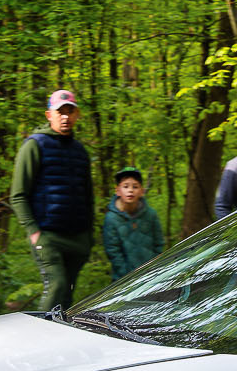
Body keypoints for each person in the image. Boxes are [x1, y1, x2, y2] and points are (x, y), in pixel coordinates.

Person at [10, 89, 96, 314]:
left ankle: (61, 334)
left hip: (78, 238)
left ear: (77, 115)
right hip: (48, 236)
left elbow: (88, 196)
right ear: (49, 115)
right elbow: (18, 195)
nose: (65, 117)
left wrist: (89, 236)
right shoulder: (34, 145)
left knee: (67, 294)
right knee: (56, 286)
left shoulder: (80, 151)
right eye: (60, 112)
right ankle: (38, 333)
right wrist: (34, 232)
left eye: (70, 111)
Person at [101, 166, 165, 282]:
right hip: (124, 280)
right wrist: (127, 276)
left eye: (135, 187)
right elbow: (113, 252)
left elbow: (159, 243)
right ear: (117, 191)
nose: (130, 190)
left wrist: (155, 269)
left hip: (152, 277)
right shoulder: (111, 218)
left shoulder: (151, 214)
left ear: (141, 191)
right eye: (125, 186)